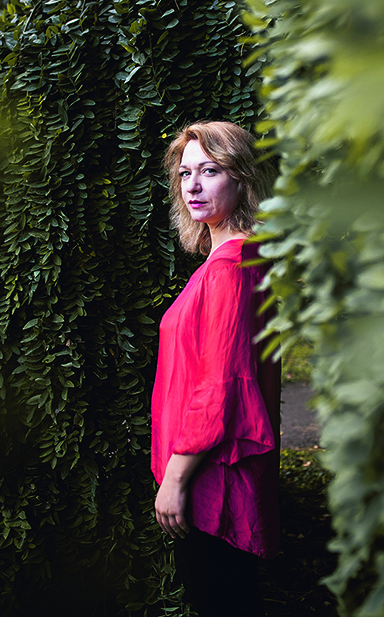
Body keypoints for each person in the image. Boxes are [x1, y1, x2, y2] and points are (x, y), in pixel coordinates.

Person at [151, 121, 281, 617]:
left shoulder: (231, 267)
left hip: (211, 477)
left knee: (221, 600)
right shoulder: (238, 258)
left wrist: (175, 479)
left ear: (242, 179)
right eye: (185, 173)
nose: (193, 185)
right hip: (211, 470)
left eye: (210, 171)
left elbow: (220, 386)